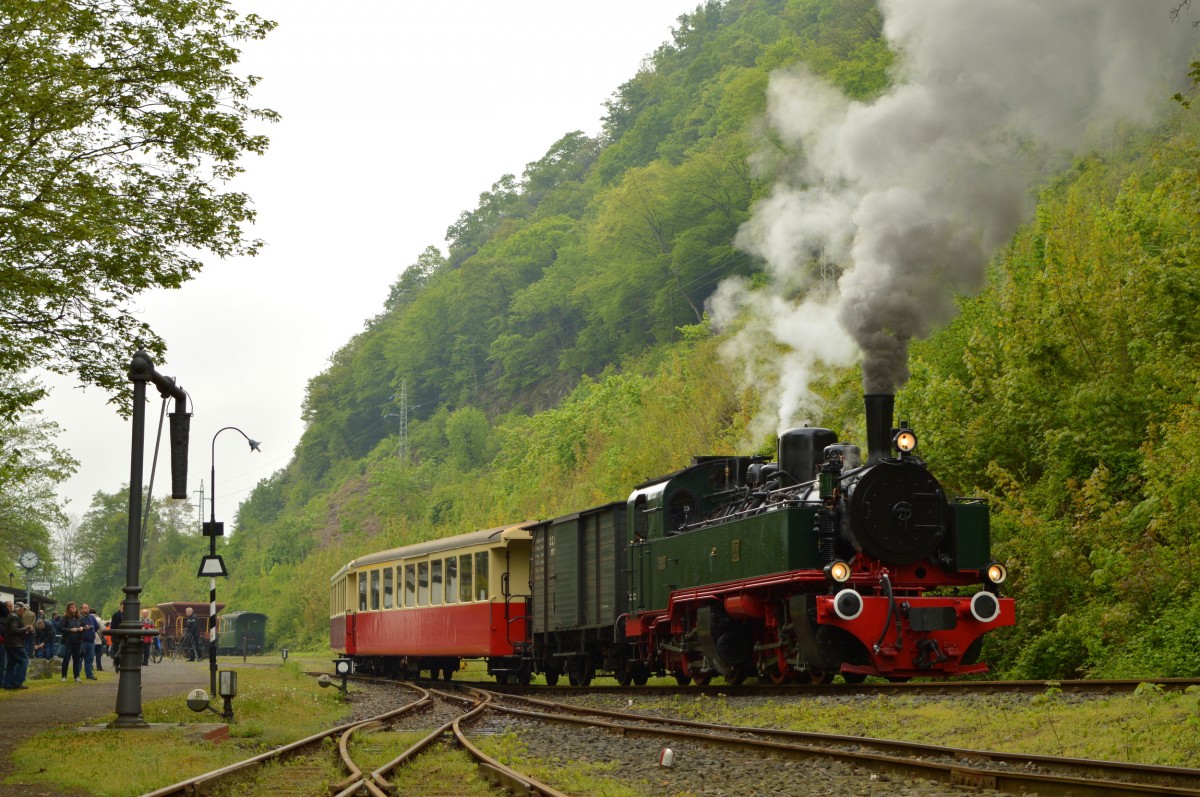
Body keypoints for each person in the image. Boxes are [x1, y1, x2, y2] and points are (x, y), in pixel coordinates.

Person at [3, 601, 33, 690]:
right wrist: (26, 628)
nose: (24, 612)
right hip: (16, 644)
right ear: (19, 609)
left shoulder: (10, 616)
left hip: (9, 644)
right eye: (23, 609)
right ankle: (18, 682)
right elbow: (14, 630)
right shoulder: (15, 617)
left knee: (11, 665)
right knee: (24, 661)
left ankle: (7, 684)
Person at [59, 602, 87, 682]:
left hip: (78, 641)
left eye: (74, 607)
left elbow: (85, 627)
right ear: (68, 608)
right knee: (66, 659)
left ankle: (76, 676)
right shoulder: (65, 617)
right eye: (71, 607)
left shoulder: (80, 617)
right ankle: (64, 676)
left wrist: (82, 628)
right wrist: (70, 630)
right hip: (68, 641)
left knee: (77, 660)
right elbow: (61, 628)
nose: (73, 608)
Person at [79, 603, 99, 679]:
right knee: (79, 659)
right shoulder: (79, 617)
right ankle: (77, 675)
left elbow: (96, 627)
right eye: (85, 608)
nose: (87, 609)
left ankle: (89, 675)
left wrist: (91, 632)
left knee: (90, 659)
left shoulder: (92, 617)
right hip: (81, 642)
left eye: (87, 608)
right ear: (81, 609)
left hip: (91, 642)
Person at [109, 605, 124, 672]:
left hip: (125, 636)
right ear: (120, 606)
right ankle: (117, 664)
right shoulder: (115, 615)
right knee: (116, 651)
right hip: (117, 636)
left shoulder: (128, 615)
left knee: (124, 651)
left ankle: (122, 664)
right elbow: (112, 626)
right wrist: (114, 636)